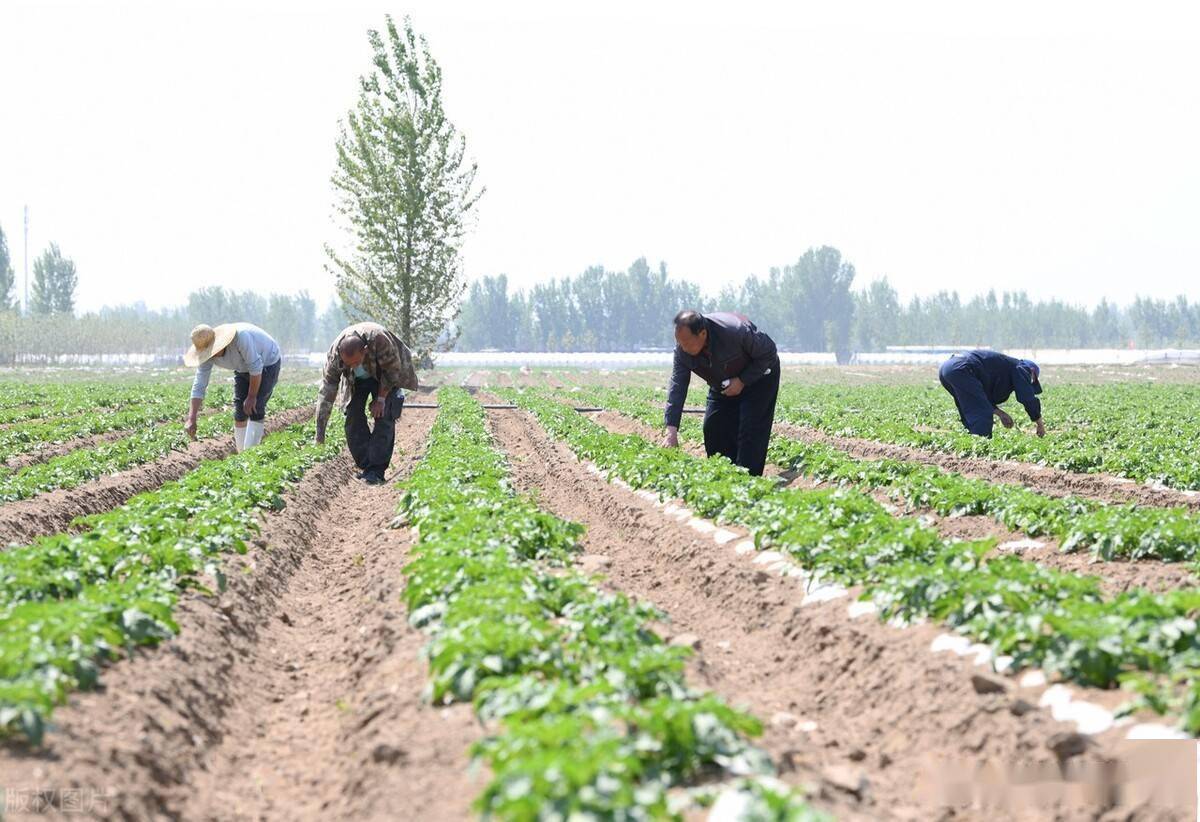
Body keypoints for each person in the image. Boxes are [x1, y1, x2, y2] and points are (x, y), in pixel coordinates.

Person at [662, 310, 780, 476]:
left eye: (687, 343)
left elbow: (769, 352)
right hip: (722, 383)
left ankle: (748, 482)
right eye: (679, 342)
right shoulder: (682, 352)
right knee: (713, 428)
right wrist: (671, 431)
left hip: (759, 376)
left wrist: (742, 381)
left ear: (702, 333)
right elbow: (677, 386)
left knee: (750, 430)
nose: (683, 348)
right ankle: (724, 477)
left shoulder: (735, 332)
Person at [314, 321, 418, 484]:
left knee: (384, 414)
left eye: (356, 362)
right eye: (349, 364)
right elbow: (327, 392)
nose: (353, 366)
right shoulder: (335, 356)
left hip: (384, 374)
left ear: (365, 351)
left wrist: (381, 399)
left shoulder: (379, 340)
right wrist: (320, 435)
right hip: (357, 381)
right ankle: (366, 464)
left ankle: (376, 470)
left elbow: (392, 372)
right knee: (353, 415)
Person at [184, 322, 282, 451]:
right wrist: (192, 417)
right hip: (242, 368)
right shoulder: (207, 356)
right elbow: (200, 384)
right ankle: (242, 454)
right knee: (240, 412)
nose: (210, 355)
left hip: (267, 362)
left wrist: (252, 396)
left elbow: (255, 366)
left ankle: (251, 453)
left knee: (255, 407)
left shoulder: (240, 338)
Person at [938, 349, 1045, 438]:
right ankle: (980, 446)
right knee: (981, 413)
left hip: (947, 368)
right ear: (1032, 371)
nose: (1028, 382)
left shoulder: (1003, 369)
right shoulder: (1022, 367)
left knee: (970, 408)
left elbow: (982, 398)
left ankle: (972, 440)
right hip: (962, 368)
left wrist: (1000, 414)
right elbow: (1027, 397)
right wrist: (1039, 423)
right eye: (1031, 379)